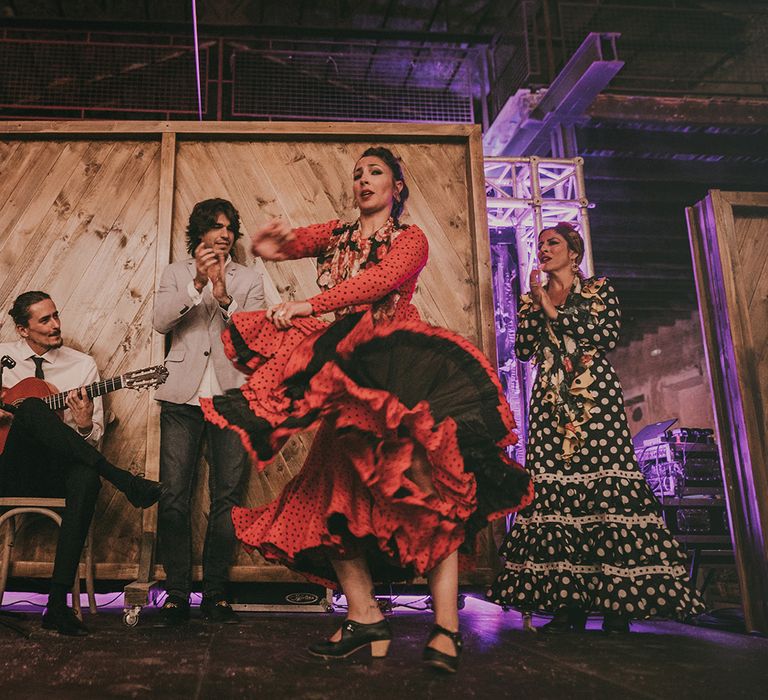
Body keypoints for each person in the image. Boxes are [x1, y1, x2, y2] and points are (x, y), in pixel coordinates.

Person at [200, 147, 533, 672]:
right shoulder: (339, 233)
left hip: (397, 377)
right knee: (327, 497)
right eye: (357, 174)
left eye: (374, 172)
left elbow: (373, 284)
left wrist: (310, 304)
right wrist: (270, 246)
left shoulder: (410, 239)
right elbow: (293, 242)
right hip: (346, 382)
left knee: (426, 495)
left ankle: (446, 629)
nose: (363, 180)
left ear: (396, 186)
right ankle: (365, 617)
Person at [488, 223, 705, 632]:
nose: (544, 248)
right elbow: (523, 348)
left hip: (594, 401)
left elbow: (602, 335)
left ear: (574, 252)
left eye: (553, 242)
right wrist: (534, 306)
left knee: (605, 496)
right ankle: (570, 606)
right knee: (559, 495)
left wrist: (552, 310)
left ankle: (617, 607)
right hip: (552, 401)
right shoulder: (533, 299)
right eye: (540, 244)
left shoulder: (598, 290)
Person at [0, 291, 164, 636]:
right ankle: (123, 480)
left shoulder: (82, 366)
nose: (56, 324)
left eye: (56, 315)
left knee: (86, 476)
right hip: (9, 470)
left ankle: (56, 605)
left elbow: (93, 440)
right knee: (30, 406)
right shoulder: (2, 356)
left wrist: (86, 423)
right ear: (22, 329)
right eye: (44, 319)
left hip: (53, 472)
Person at [152, 198, 265, 626]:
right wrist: (196, 283)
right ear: (199, 233)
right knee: (174, 498)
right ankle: (177, 591)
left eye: (230, 228)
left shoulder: (248, 278)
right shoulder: (175, 273)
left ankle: (216, 591)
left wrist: (222, 297)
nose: (224, 234)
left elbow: (254, 338)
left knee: (228, 499)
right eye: (216, 227)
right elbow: (161, 323)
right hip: (181, 398)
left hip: (231, 396)